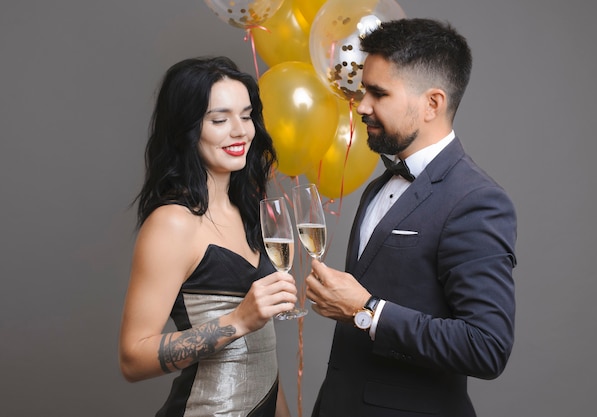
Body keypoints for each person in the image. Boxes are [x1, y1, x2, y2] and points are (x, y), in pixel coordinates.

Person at [305, 18, 517, 417]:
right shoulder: (376, 188)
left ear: (432, 104)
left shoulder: (477, 200)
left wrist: (366, 311)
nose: (361, 105)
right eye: (363, 89)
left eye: (378, 93)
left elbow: (487, 347)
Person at [118, 56, 296, 417]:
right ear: (187, 128)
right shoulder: (173, 223)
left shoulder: (250, 210)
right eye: (219, 119)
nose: (240, 131)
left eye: (246, 116)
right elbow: (133, 359)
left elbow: (263, 357)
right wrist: (238, 321)